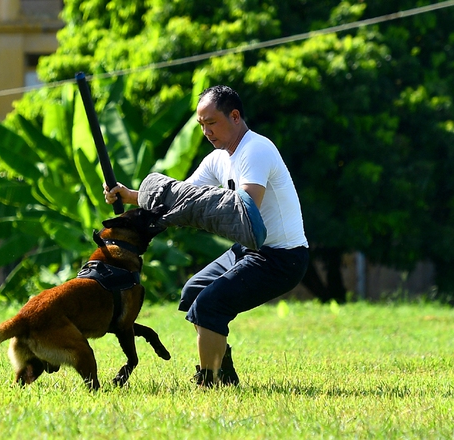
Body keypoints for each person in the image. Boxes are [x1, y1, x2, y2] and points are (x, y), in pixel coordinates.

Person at [103, 85, 309, 387]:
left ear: (235, 116)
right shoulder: (218, 158)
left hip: (282, 258)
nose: (206, 132)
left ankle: (208, 381)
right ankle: (224, 374)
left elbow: (247, 211)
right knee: (194, 292)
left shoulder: (256, 150)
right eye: (201, 125)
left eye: (211, 122)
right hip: (250, 250)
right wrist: (131, 196)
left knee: (209, 306)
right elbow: (180, 197)